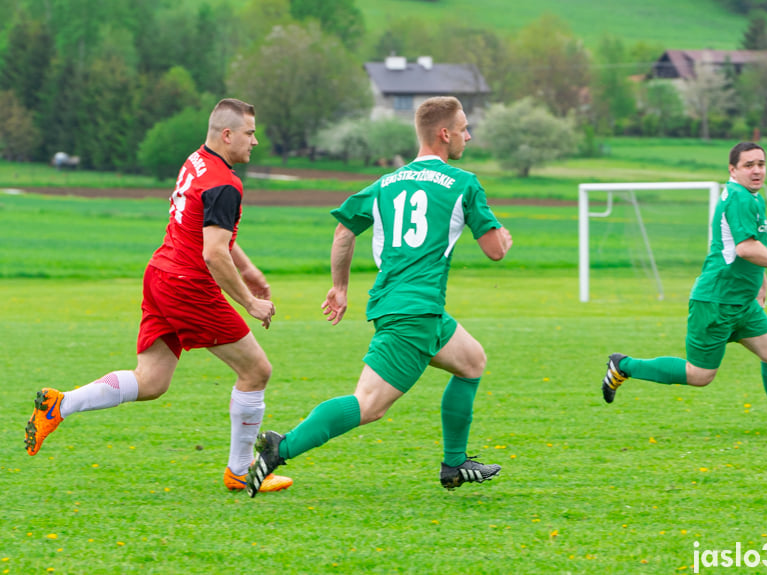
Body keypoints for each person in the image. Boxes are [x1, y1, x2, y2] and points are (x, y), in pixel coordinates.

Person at [245, 96, 513, 497]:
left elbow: (343, 231)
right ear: (445, 134)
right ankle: (279, 448)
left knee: (472, 361)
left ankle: (455, 465)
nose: (468, 136)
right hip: (414, 314)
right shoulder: (463, 183)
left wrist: (340, 287)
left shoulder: (386, 183)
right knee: (369, 405)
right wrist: (504, 238)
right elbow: (494, 250)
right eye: (463, 129)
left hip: (412, 307)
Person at [24, 98, 293, 493]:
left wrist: (249, 270)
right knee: (256, 371)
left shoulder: (197, 161)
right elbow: (213, 252)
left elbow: (207, 231)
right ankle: (240, 470)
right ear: (227, 134)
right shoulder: (225, 183)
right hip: (187, 284)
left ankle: (58, 405)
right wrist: (250, 302)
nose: (255, 141)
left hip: (160, 275)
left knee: (151, 381)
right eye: (250, 133)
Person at [601, 142, 767, 434]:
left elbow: (742, 247)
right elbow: (745, 249)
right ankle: (624, 365)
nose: (757, 170)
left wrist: (761, 280)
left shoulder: (750, 197)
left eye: (761, 163)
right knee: (700, 375)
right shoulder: (738, 199)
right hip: (716, 301)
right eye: (749, 165)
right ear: (733, 169)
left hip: (741, 302)